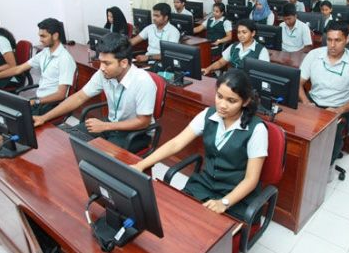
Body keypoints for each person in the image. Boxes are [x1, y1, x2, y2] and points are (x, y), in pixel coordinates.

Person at [132, 68, 268, 220]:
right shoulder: (208, 115)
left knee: (209, 233)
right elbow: (176, 143)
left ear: (246, 101)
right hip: (206, 184)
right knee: (175, 217)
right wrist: (141, 164)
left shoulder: (257, 129)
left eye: (231, 101)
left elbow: (251, 179)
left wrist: (224, 202)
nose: (222, 105)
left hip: (236, 194)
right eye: (219, 96)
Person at [34, 34, 156, 153]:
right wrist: (44, 117)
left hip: (136, 133)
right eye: (101, 61)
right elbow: (79, 97)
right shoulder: (104, 73)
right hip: (111, 124)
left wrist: (105, 126)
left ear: (123, 63)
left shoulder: (143, 81)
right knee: (68, 140)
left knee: (97, 159)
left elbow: (143, 122)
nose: (101, 68)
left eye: (107, 63)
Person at [0, 18, 76, 115]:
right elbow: (17, 69)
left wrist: (36, 101)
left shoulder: (64, 59)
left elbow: (61, 95)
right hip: (40, 100)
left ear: (55, 36)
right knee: (5, 112)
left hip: (53, 104)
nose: (40, 39)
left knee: (15, 120)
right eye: (39, 36)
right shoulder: (45, 53)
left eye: (43, 36)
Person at [299, 21, 349, 169]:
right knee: (297, 131)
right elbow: (297, 83)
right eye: (329, 40)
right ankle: (302, 166)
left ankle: (325, 169)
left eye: (338, 40)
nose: (332, 45)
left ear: (347, 39)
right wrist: (305, 102)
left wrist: (339, 110)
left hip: (338, 106)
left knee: (330, 139)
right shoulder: (314, 55)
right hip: (312, 102)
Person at [201, 19, 269, 75]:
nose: (240, 35)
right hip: (231, 81)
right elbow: (221, 62)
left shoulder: (262, 51)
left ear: (253, 33)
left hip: (249, 85)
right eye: (239, 32)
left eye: (244, 32)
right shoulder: (234, 46)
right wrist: (208, 69)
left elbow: (263, 74)